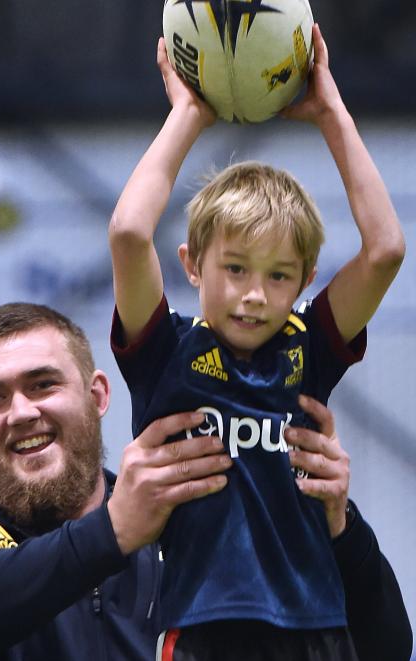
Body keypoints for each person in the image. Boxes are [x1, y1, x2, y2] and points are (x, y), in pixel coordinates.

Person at [108, 24, 405, 660]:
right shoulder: (164, 353)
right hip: (202, 628)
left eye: (278, 277)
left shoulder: (309, 350)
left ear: (304, 281)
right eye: (235, 268)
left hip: (316, 627)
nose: (253, 294)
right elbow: (130, 233)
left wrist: (330, 112)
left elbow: (385, 251)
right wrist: (188, 114)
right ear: (191, 265)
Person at [0, 303, 411, 660]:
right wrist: (111, 533)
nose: (22, 413)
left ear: (97, 396)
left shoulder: (191, 510)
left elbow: (385, 647)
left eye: (43, 384)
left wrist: (339, 528)